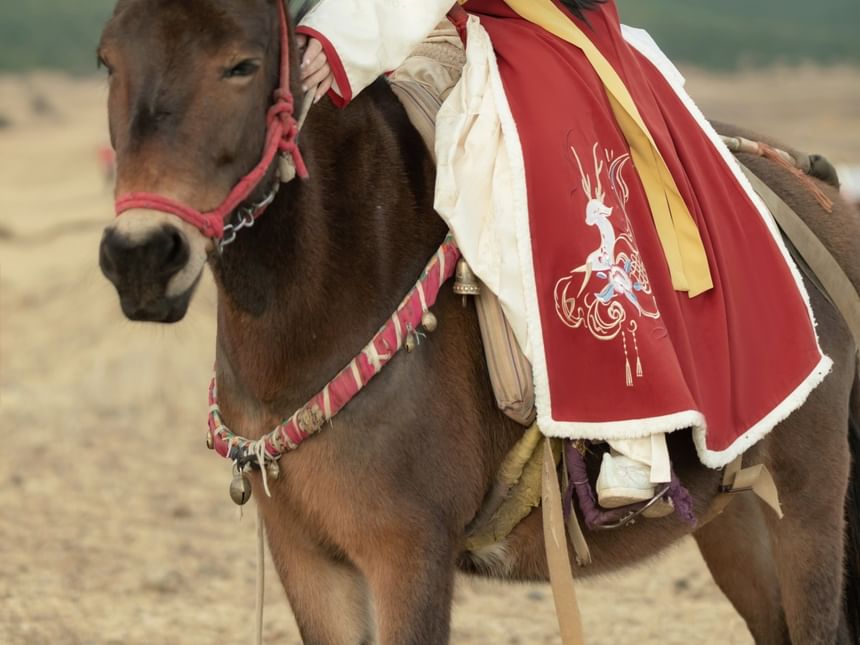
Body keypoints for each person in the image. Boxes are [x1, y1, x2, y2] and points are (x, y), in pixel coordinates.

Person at [292, 0, 829, 513]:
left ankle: (633, 428)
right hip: (409, 30)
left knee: (547, 170)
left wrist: (339, 35)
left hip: (527, 23)